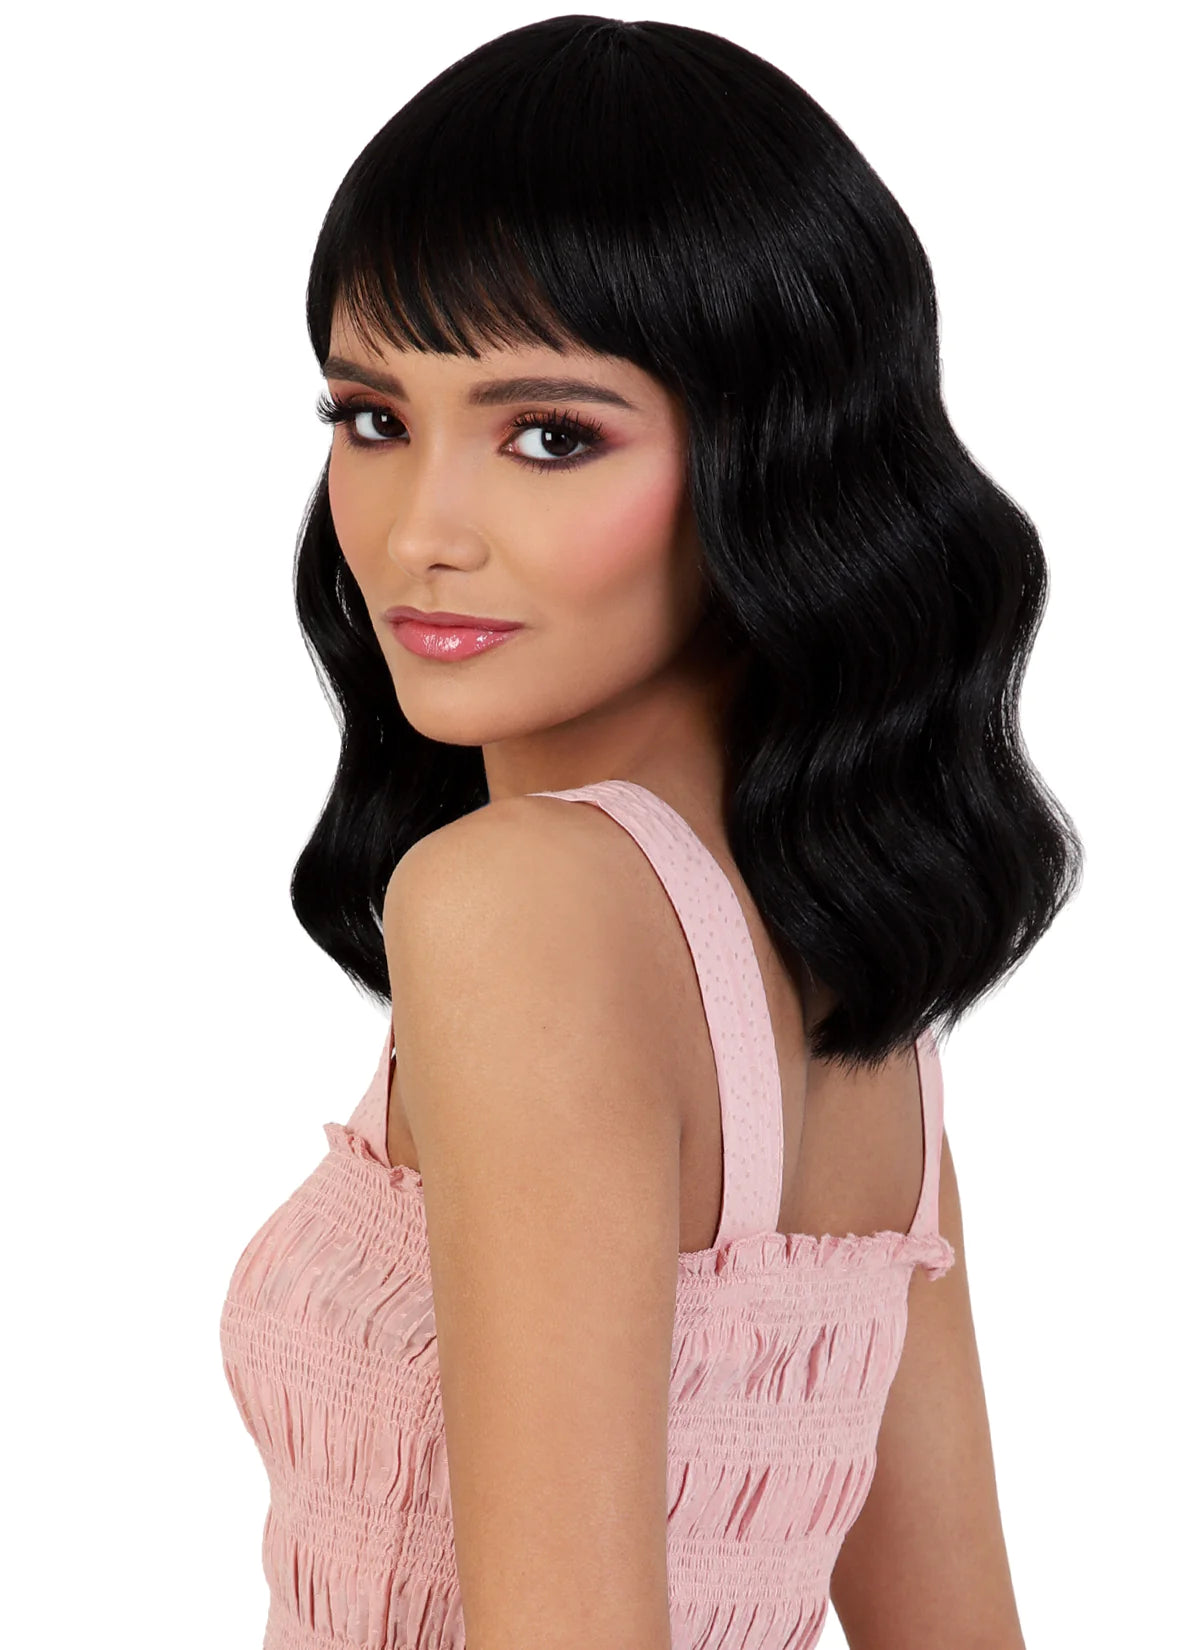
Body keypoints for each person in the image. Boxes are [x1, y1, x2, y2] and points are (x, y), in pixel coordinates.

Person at [221, 17, 1080, 1650]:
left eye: (551, 435)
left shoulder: (518, 907)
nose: (420, 530)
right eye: (373, 416)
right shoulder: (846, 987)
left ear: (776, 462)